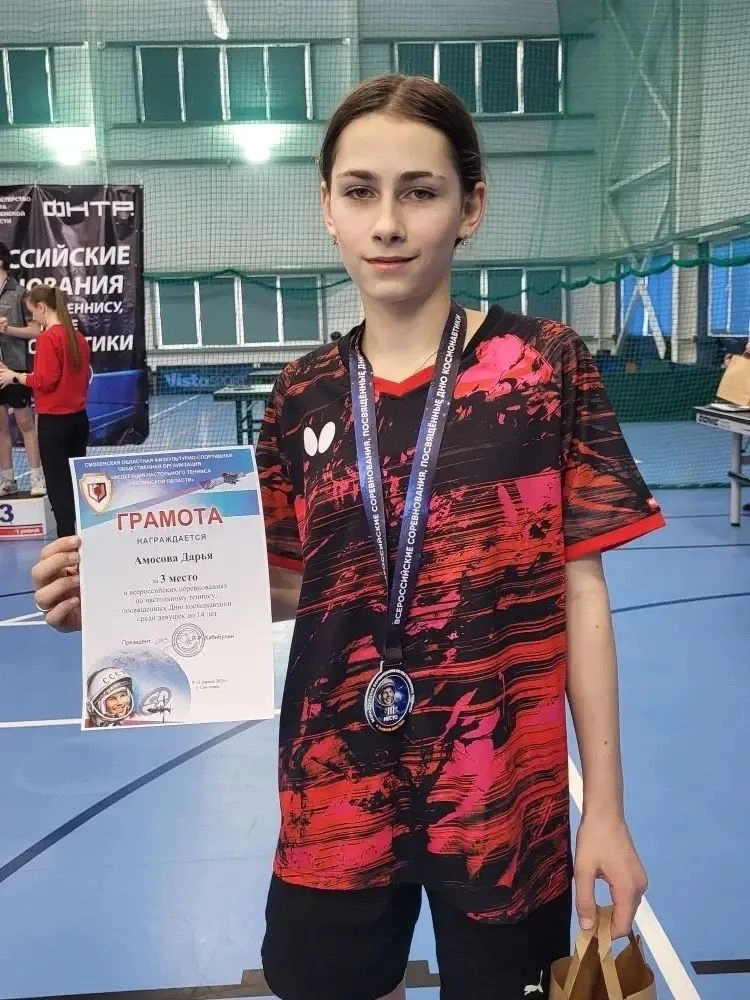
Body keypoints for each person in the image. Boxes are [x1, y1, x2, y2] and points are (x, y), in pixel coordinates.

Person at [31, 74, 666, 1000]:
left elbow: (581, 591)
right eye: (361, 191)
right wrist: (119, 596)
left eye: (421, 191)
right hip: (336, 788)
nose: (388, 223)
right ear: (327, 207)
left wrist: (604, 810)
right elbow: (297, 584)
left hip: (501, 793)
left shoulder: (545, 366)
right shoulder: (300, 395)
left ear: (470, 207)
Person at [0, 285, 90, 537]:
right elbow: (82, 379)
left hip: (55, 422)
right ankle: (81, 533)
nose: (33, 317)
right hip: (79, 420)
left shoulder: (48, 339)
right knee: (74, 480)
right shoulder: (78, 339)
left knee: (58, 484)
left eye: (33, 312)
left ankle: (66, 538)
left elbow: (46, 380)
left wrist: (16, 376)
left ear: (42, 307)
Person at [0, 242, 46, 497]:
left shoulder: (19, 292)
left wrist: (8, 329)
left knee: (25, 423)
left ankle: (37, 478)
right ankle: (8, 480)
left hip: (15, 367)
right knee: (0, 427)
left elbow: (36, 330)